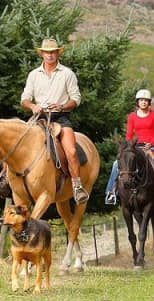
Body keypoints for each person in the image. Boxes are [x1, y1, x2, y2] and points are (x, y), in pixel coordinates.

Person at [20, 38, 89, 205]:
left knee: (71, 151)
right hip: (38, 117)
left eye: (52, 52)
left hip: (61, 117)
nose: (49, 55)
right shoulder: (33, 75)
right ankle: (5, 180)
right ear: (42, 54)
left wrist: (62, 106)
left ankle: (77, 186)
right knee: (17, 143)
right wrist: (33, 106)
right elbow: (24, 99)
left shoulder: (67, 73)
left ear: (57, 53)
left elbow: (76, 98)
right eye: (46, 52)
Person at [104, 89, 154, 206]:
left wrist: (151, 144)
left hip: (151, 148)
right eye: (141, 100)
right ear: (137, 102)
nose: (143, 102)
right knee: (116, 164)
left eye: (146, 100)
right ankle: (111, 192)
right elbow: (128, 135)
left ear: (149, 102)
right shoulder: (132, 116)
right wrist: (129, 145)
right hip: (135, 147)